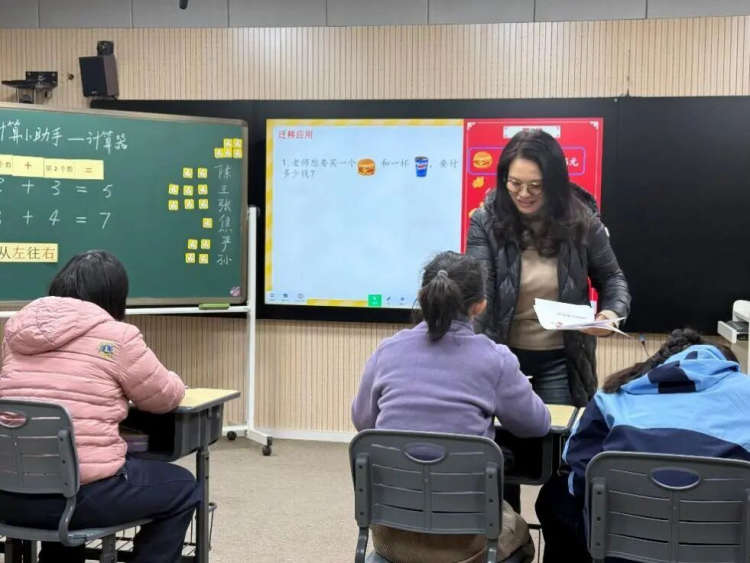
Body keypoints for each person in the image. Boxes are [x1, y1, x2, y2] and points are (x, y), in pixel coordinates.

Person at [0, 250, 201, 563]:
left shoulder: (15, 332)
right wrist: (176, 380)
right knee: (183, 487)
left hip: (8, 496)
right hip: (77, 503)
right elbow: (164, 397)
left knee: (70, 467)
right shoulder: (117, 337)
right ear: (114, 297)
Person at [352, 250, 551, 563]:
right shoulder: (495, 359)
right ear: (480, 305)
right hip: (469, 545)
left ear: (423, 296)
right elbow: (536, 424)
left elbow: (363, 422)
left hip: (391, 538)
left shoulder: (386, 351)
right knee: (521, 535)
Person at [535, 328, 746, 563]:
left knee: (556, 496)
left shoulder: (612, 397)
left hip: (624, 550)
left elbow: (579, 476)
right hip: (724, 550)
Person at [466, 128, 631, 408]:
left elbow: (612, 278)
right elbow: (480, 288)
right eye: (515, 183)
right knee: (498, 433)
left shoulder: (583, 221)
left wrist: (610, 315)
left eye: (535, 186)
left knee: (555, 432)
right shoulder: (485, 221)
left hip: (561, 360)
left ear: (554, 184)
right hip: (501, 356)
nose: (524, 194)